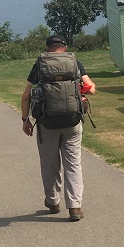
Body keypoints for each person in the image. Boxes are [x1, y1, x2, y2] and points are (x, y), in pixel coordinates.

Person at [20, 34, 95, 222]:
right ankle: (75, 207)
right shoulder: (74, 63)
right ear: (65, 47)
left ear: (48, 48)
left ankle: (53, 202)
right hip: (72, 121)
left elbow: (26, 96)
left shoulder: (40, 65)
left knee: (49, 164)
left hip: (47, 123)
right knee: (73, 164)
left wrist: (25, 120)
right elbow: (91, 88)